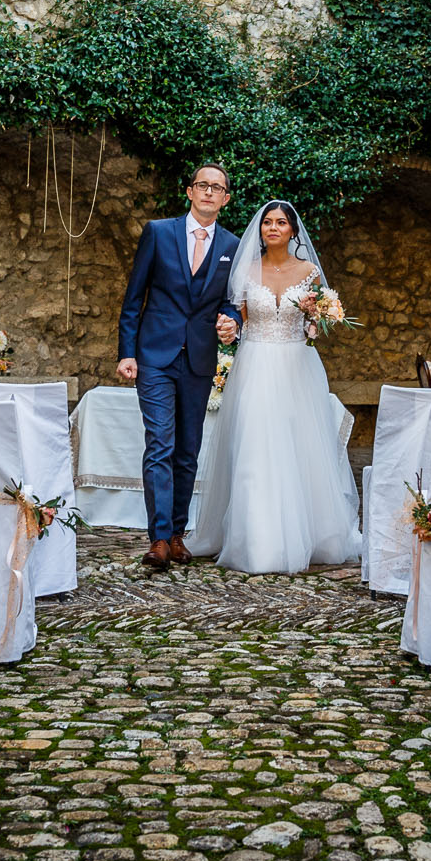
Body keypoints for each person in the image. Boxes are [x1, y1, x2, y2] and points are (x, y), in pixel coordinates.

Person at [187, 199, 363, 574]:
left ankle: (311, 535)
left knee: (300, 445)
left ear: (293, 231)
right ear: (261, 230)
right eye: (267, 222)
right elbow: (239, 318)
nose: (272, 228)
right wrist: (230, 329)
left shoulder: (310, 272)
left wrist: (317, 323)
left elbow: (313, 326)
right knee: (255, 445)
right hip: (255, 363)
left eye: (281, 223)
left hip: (298, 366)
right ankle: (258, 541)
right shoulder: (246, 270)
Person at [117, 163, 244, 572]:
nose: (209, 192)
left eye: (217, 188)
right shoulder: (159, 232)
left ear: (225, 199)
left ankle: (176, 534)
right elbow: (134, 296)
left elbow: (229, 300)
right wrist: (127, 352)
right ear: (190, 192)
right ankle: (157, 538)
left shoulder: (233, 244)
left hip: (199, 359)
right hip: (154, 356)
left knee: (187, 452)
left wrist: (232, 322)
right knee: (160, 444)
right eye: (202, 185)